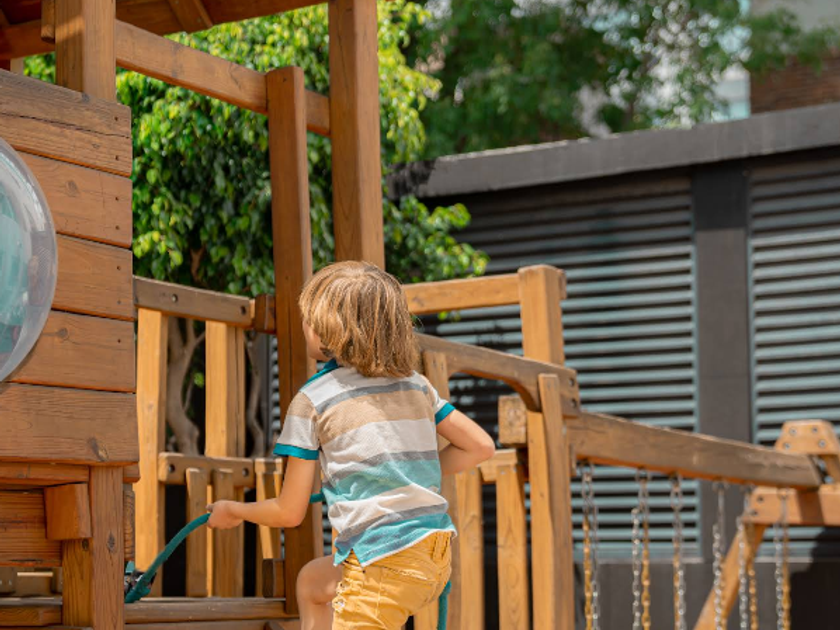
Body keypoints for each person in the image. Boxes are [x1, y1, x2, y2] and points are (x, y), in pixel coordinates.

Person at [207, 261, 496, 629]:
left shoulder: (313, 400)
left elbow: (289, 512)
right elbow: (480, 446)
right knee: (313, 583)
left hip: (381, 563)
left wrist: (233, 510)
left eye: (309, 318)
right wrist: (405, 474)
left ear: (325, 330)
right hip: (432, 556)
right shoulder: (416, 384)